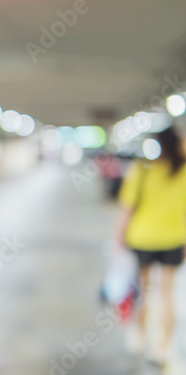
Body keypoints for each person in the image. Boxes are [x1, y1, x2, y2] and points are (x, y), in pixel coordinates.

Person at [116, 125, 186, 364]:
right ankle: (162, 348)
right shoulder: (183, 172)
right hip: (174, 240)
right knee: (167, 294)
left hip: (143, 239)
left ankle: (139, 337)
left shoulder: (142, 170)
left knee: (143, 291)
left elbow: (126, 209)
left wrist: (119, 239)